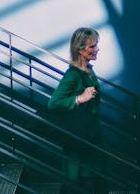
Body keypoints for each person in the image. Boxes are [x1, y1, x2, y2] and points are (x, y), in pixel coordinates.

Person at [47, 27, 102, 183]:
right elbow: (53, 103)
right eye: (92, 46)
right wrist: (79, 98)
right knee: (79, 181)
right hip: (79, 138)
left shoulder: (89, 70)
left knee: (94, 179)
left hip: (91, 134)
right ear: (80, 50)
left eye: (96, 45)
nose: (97, 49)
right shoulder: (72, 75)